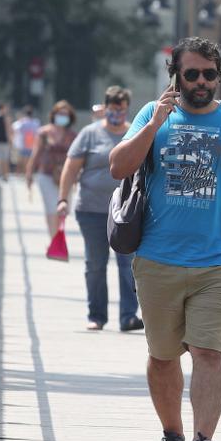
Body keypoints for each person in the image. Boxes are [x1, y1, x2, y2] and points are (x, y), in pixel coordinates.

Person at [109, 37, 221, 441]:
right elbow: (118, 166)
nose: (201, 82)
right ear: (177, 78)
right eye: (192, 74)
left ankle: (204, 440)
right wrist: (153, 125)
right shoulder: (153, 114)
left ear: (219, 77)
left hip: (220, 259)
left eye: (209, 74)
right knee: (163, 356)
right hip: (157, 257)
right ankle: (172, 434)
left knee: (209, 352)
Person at [56, 87, 144, 332]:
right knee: (95, 264)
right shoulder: (89, 134)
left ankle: (128, 315)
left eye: (122, 108)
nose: (118, 113)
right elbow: (71, 168)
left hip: (125, 212)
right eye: (114, 108)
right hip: (91, 210)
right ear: (106, 108)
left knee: (128, 264)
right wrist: (62, 199)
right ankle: (97, 315)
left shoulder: (134, 133)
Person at [26, 100, 78, 236]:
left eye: (65, 114)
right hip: (46, 175)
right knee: (51, 208)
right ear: (54, 114)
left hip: (66, 176)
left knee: (63, 209)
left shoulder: (73, 135)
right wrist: (29, 173)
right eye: (60, 113)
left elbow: (77, 159)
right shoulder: (44, 133)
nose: (62, 116)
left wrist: (77, 177)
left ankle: (59, 236)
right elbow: (35, 154)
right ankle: (53, 239)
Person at [13, 105, 40, 173]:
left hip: (23, 144)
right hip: (33, 144)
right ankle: (27, 172)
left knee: (22, 160)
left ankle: (22, 172)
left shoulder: (22, 122)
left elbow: (15, 128)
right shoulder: (36, 122)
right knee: (30, 160)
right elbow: (38, 132)